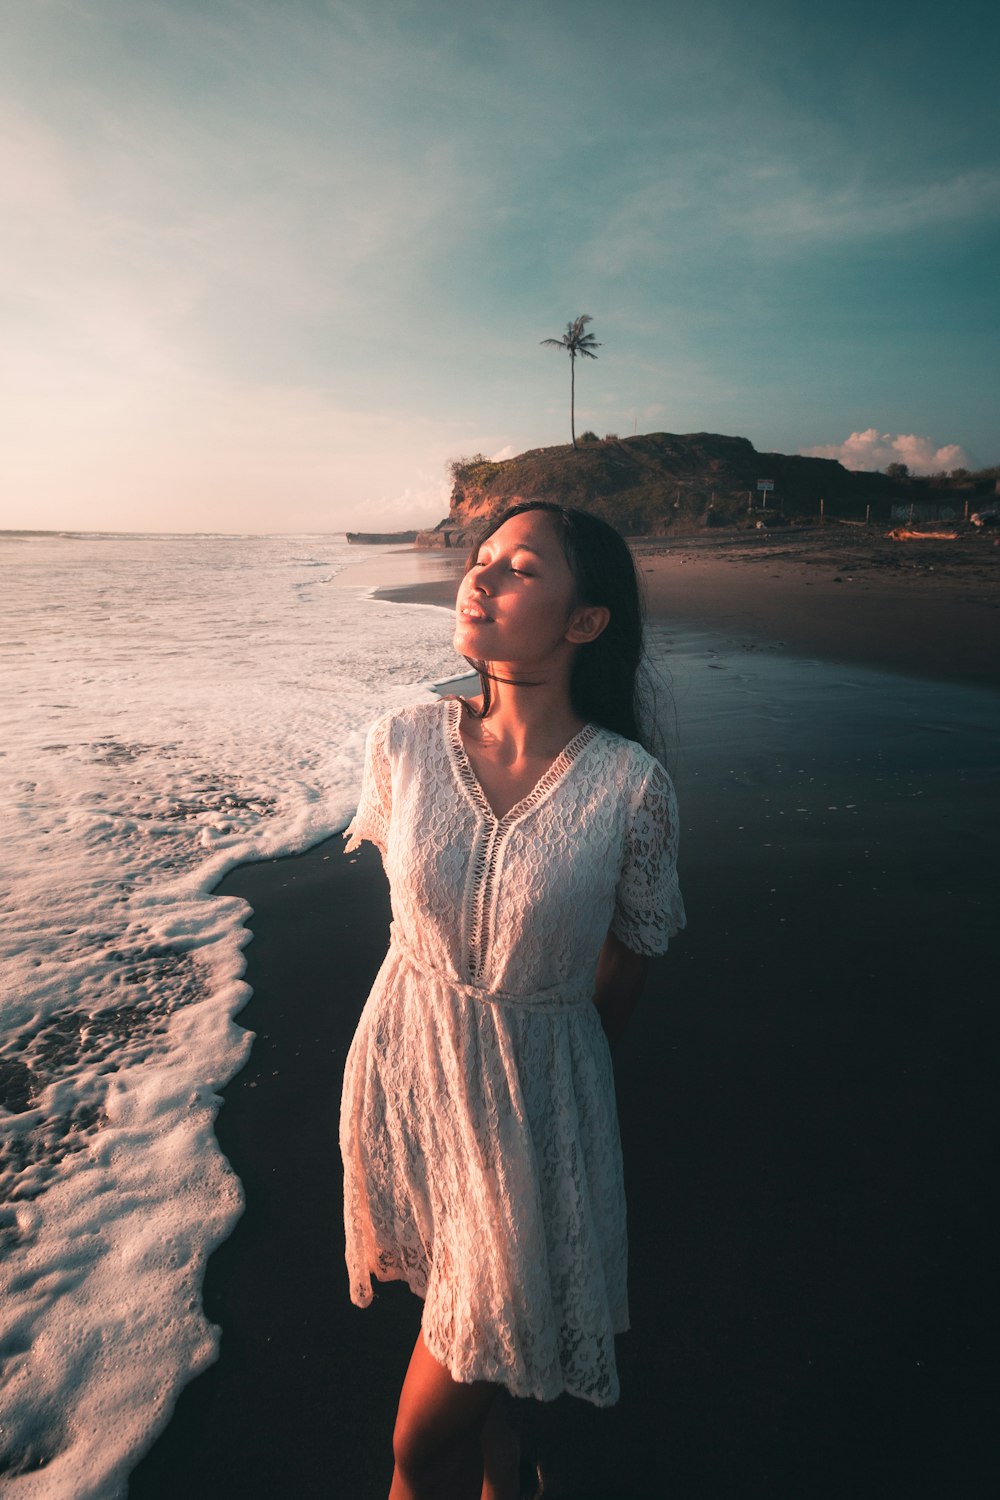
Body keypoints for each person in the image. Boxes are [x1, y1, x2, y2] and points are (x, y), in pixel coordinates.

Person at [341, 501, 685, 1499]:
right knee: (462, 1312)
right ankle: (501, 1459)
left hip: (537, 1101)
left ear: (585, 622)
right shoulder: (404, 740)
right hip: (411, 1073)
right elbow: (420, 935)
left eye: (518, 568)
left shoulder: (629, 787)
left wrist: (559, 1083)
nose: (477, 578)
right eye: (479, 559)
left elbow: (629, 959)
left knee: (417, 1441)